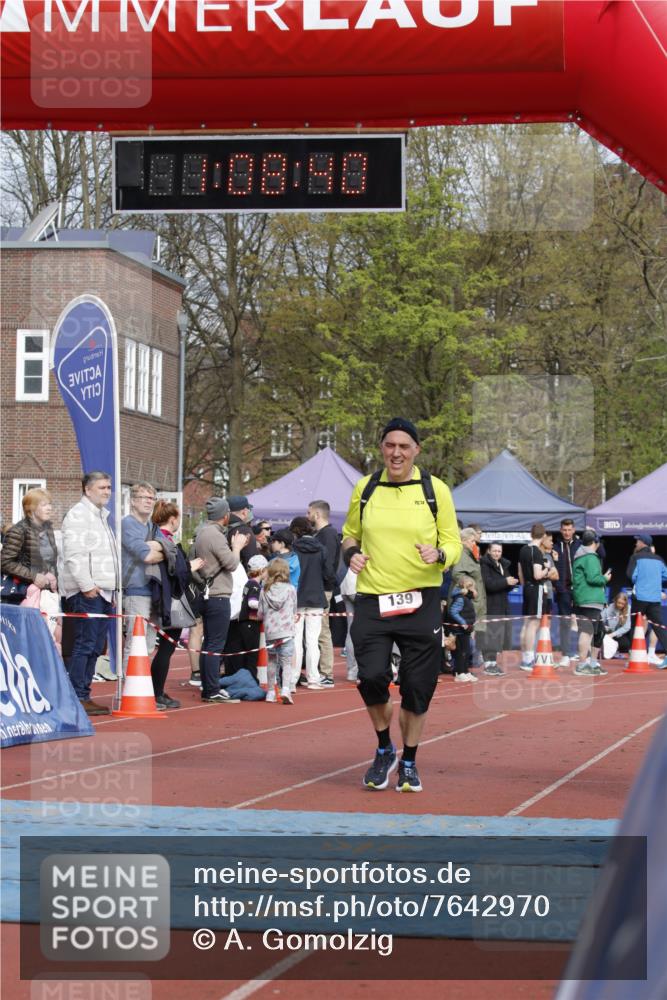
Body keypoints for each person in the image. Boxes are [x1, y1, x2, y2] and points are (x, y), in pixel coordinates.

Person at [342, 416, 461, 793]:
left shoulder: (434, 490)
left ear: (416, 451)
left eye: (404, 447)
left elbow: (454, 543)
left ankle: (408, 761)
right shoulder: (366, 487)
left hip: (421, 601)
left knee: (416, 687)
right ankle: (383, 748)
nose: (396, 453)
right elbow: (349, 535)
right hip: (374, 600)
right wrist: (352, 556)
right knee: (372, 677)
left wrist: (439, 553)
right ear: (382, 448)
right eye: (390, 445)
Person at [61, 472, 120, 716]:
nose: (107, 491)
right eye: (102, 487)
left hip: (103, 590)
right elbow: (74, 553)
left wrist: (113, 587)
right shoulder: (78, 515)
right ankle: (77, 695)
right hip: (88, 591)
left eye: (108, 487)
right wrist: (86, 585)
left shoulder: (101, 517)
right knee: (85, 644)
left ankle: (83, 693)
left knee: (96, 645)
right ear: (87, 489)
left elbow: (108, 556)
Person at [148, 500, 205, 709]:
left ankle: (156, 691)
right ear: (173, 519)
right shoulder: (166, 541)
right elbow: (175, 571)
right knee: (166, 648)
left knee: (162, 648)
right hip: (169, 599)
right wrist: (191, 566)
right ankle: (156, 692)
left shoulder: (156, 537)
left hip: (161, 597)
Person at [194, 496, 249, 702]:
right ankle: (212, 689)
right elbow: (232, 564)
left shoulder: (201, 533)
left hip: (207, 592)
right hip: (218, 595)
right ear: (225, 515)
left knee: (209, 642)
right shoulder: (215, 536)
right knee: (215, 644)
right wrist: (236, 547)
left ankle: (208, 686)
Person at [121, 482, 164, 673]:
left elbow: (171, 550)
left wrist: (156, 548)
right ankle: (128, 690)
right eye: (144, 498)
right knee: (135, 642)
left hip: (155, 590)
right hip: (136, 589)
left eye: (152, 498)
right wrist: (157, 549)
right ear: (132, 501)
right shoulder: (127, 524)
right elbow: (146, 556)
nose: (149, 502)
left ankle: (141, 687)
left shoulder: (154, 527)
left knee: (148, 644)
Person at [289, 515, 336, 689]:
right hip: (316, 597)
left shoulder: (294, 548)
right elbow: (329, 573)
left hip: (297, 597)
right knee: (313, 640)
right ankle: (314, 678)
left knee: (295, 640)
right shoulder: (322, 549)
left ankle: (292, 679)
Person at [307, 500, 341, 687]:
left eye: (309, 512)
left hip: (323, 589)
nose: (307, 516)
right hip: (319, 587)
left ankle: (326, 672)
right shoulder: (320, 534)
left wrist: (325, 582)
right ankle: (320, 670)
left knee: (322, 630)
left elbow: (328, 565)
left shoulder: (327, 535)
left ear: (317, 514)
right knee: (317, 631)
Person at [1, 487, 59, 597]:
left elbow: (49, 562)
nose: (49, 508)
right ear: (31, 509)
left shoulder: (48, 529)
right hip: (23, 592)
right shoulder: (18, 530)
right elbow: (4, 562)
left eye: (49, 504)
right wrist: (33, 576)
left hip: (46, 591)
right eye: (44, 505)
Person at [258, 557, 298, 704]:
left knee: (272, 661)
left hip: (271, 632)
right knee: (286, 662)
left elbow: (260, 613)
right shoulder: (291, 589)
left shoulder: (264, 590)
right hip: (286, 631)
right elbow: (294, 609)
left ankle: (270, 692)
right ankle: (286, 689)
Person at [572, 529, 611, 676]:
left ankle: (593, 663)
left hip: (588, 599)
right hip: (590, 600)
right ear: (595, 543)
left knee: (598, 632)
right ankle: (582, 665)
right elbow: (594, 579)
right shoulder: (590, 557)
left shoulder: (581, 555)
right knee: (587, 632)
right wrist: (605, 578)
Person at [626, 534, 667, 668]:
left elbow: (630, 576)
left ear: (643, 543)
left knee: (635, 626)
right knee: (659, 627)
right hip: (654, 598)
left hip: (640, 597)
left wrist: (641, 581)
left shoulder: (635, 557)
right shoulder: (658, 559)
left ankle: (633, 658)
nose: (635, 543)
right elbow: (665, 576)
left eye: (637, 541)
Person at [224, 554, 267, 679]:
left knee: (243, 651)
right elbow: (252, 603)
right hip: (251, 623)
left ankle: (243, 677)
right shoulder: (255, 585)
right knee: (252, 653)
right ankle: (252, 678)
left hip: (243, 623)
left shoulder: (248, 583)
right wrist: (265, 607)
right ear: (262, 570)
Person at [480, 541, 518, 675]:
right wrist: (505, 582)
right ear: (489, 551)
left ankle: (493, 663)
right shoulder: (484, 565)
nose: (497, 553)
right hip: (491, 605)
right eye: (494, 551)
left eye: (499, 551)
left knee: (498, 636)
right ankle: (488, 664)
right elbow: (489, 585)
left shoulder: (503, 564)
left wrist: (511, 583)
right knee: (490, 635)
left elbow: (505, 583)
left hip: (502, 603)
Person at [451, 527, 487, 670]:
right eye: (472, 541)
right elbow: (458, 574)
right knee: (464, 639)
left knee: (468, 638)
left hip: (473, 601)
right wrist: (469, 586)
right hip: (465, 602)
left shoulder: (470, 555)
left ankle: (465, 668)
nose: (474, 544)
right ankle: (460, 669)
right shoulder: (462, 554)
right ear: (463, 541)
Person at [517, 522, 550, 670]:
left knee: (526, 624)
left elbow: (520, 573)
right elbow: (538, 575)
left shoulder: (523, 549)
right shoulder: (536, 551)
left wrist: (526, 586)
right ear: (543, 536)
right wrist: (547, 569)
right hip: (536, 588)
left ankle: (526, 657)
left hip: (527, 588)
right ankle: (528, 659)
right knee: (533, 624)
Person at [552, 518, 581, 668]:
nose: (567, 532)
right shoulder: (555, 546)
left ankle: (582, 653)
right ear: (561, 530)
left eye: (569, 530)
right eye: (564, 530)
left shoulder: (580, 544)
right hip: (563, 590)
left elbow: (601, 553)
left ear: (574, 530)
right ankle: (565, 654)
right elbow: (552, 568)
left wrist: (596, 536)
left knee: (582, 621)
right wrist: (558, 586)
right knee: (565, 623)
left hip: (579, 589)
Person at [446, 574, 478, 683]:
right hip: (459, 631)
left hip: (466, 630)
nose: (474, 591)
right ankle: (459, 673)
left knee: (466, 651)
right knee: (461, 652)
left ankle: (465, 671)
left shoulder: (466, 599)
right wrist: (463, 623)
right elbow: (453, 612)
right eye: (472, 588)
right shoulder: (460, 598)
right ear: (466, 588)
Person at [227, 495, 259, 568]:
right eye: (248, 510)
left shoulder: (221, 527)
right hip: (241, 576)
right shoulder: (245, 531)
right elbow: (252, 562)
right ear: (244, 512)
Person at [601, 591, 632, 658]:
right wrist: (604, 626)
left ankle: (616, 650)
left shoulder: (629, 609)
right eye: (618, 603)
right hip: (609, 631)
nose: (620, 605)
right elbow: (601, 618)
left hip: (620, 634)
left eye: (622, 604)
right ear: (615, 601)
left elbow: (627, 627)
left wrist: (612, 635)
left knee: (626, 644)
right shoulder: (610, 607)